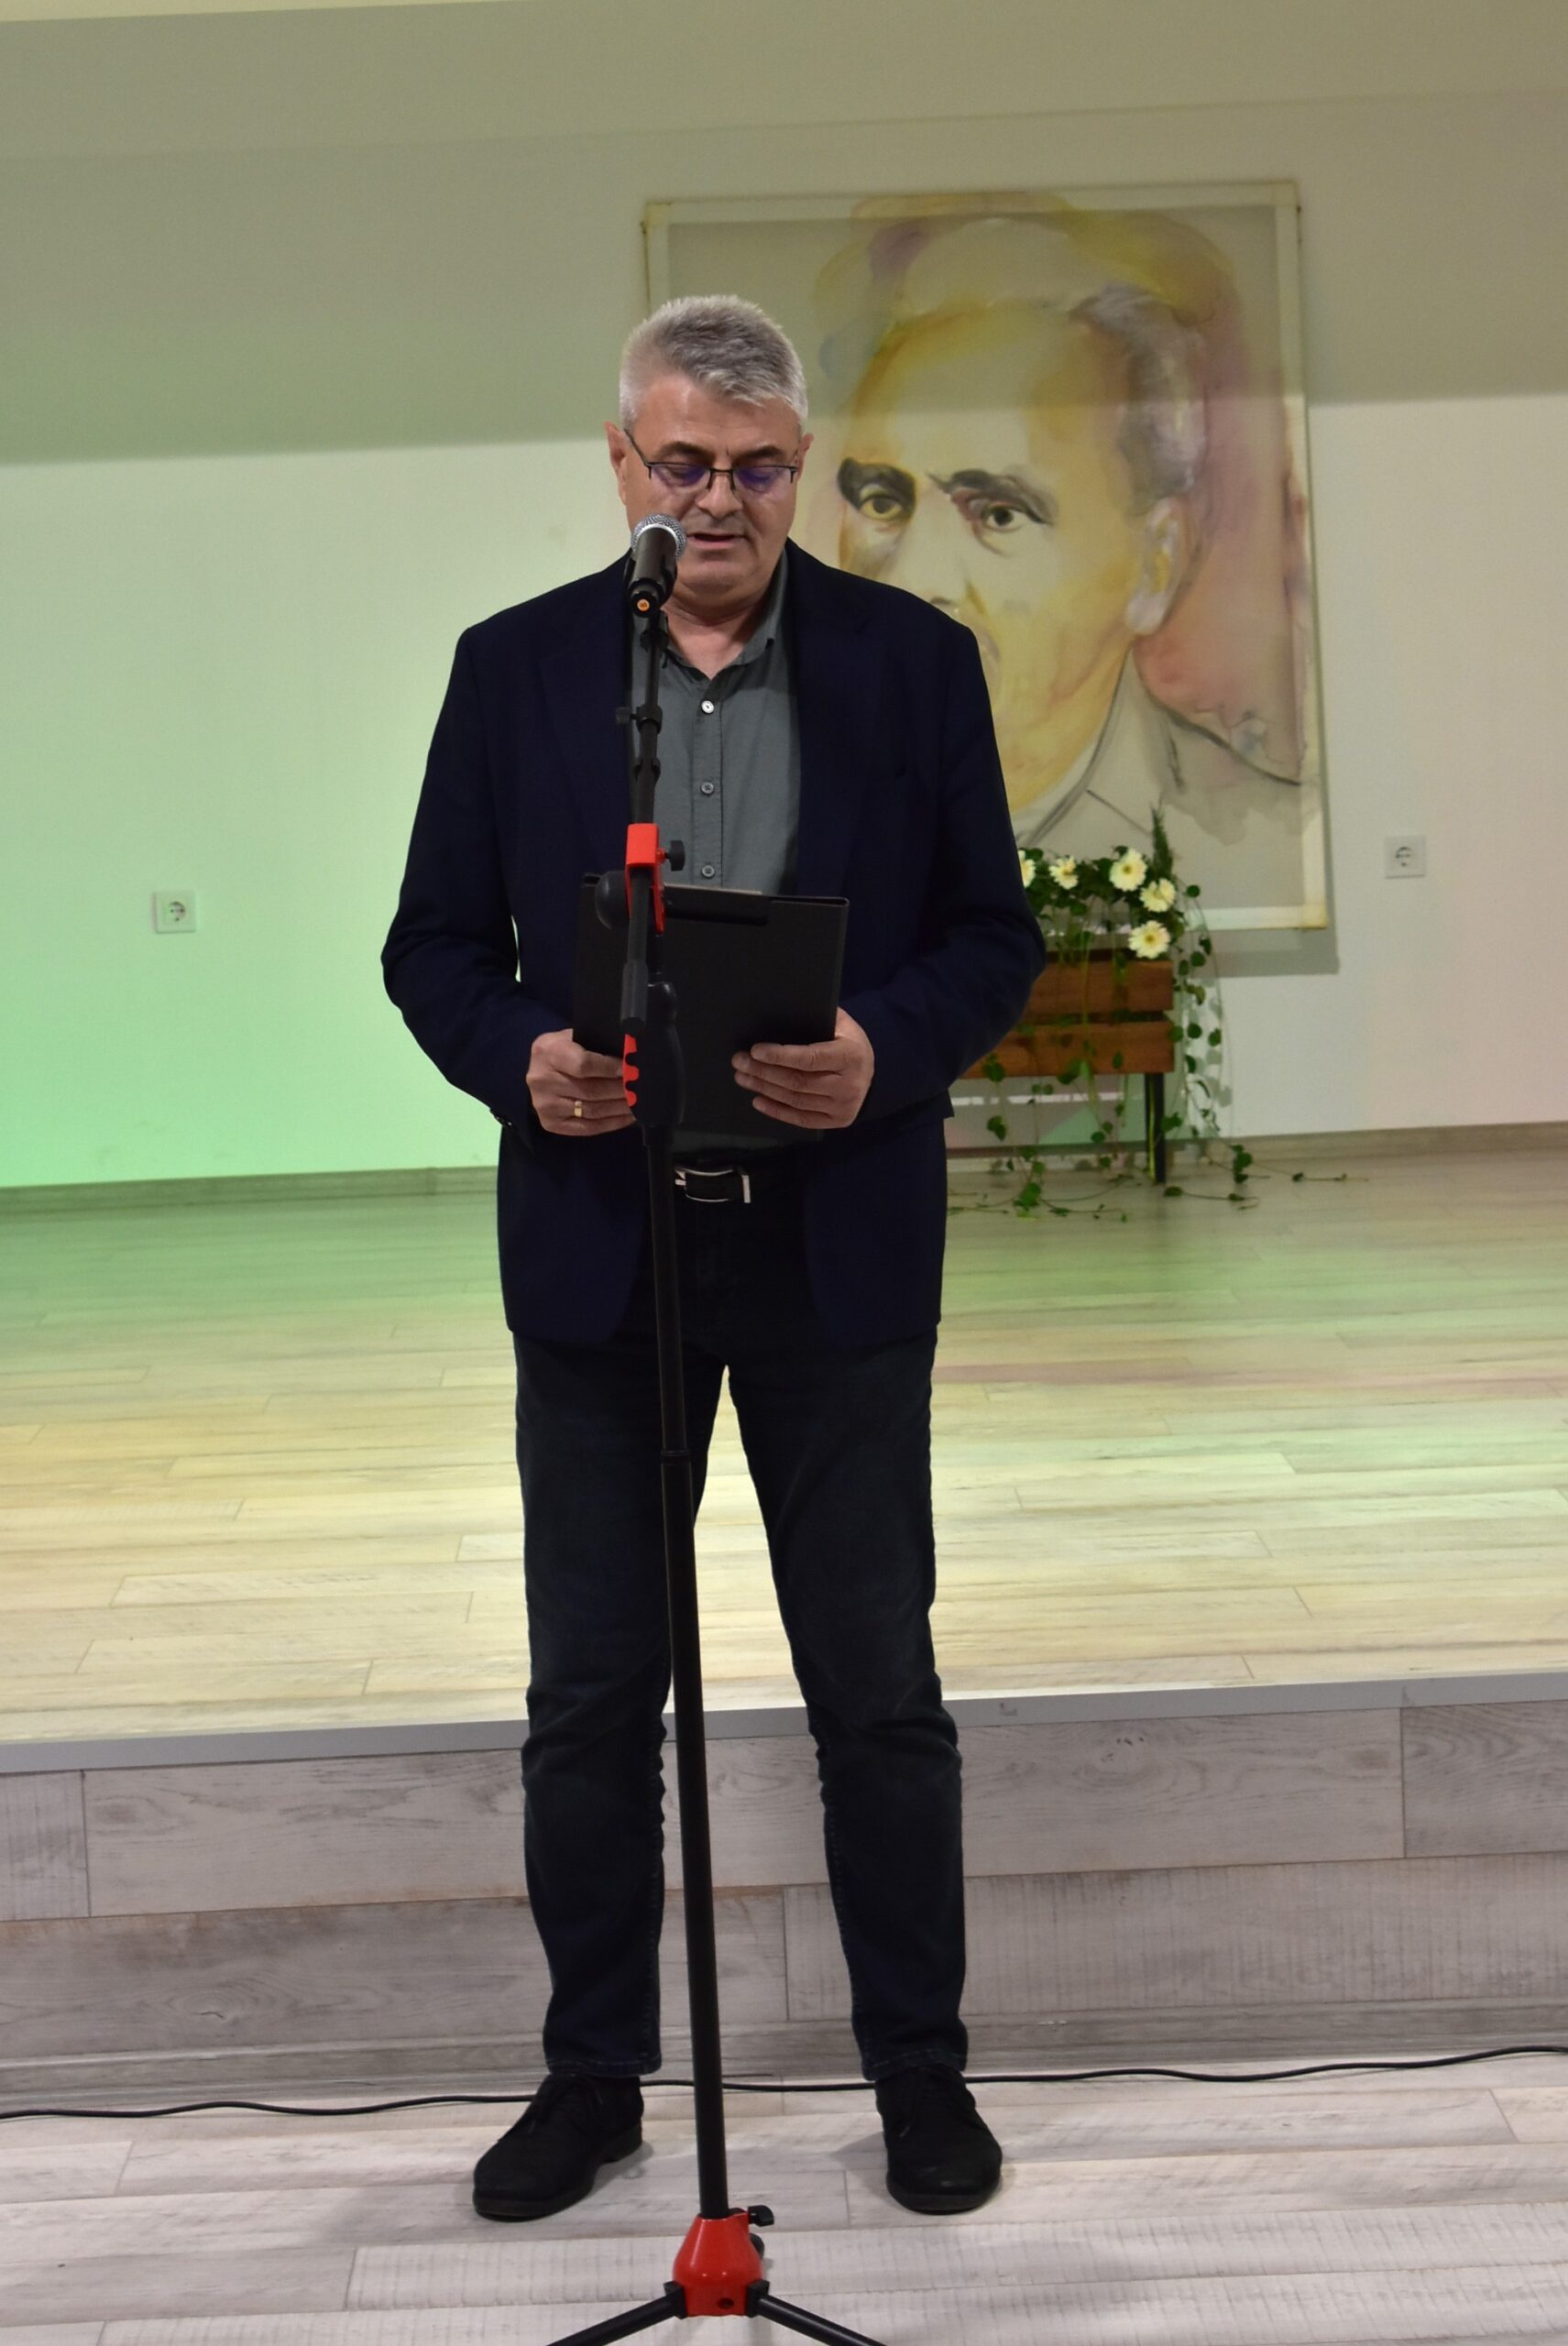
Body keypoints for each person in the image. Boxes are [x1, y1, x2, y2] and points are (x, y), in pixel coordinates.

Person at [382, 294, 1044, 2225]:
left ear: (802, 470)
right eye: (685, 462)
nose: (722, 498)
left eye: (759, 468)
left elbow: (992, 938)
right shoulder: (515, 671)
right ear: (622, 464)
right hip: (605, 1251)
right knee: (591, 1698)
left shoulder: (913, 666)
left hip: (836, 1248)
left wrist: (883, 1049)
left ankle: (918, 2074)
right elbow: (433, 946)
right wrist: (522, 1056)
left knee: (877, 1691)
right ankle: (593, 2078)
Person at [828, 212, 1307, 913]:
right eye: (881, 501)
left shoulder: (1252, 835)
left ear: (1155, 566)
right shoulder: (785, 813)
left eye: (998, 513)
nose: (912, 578)